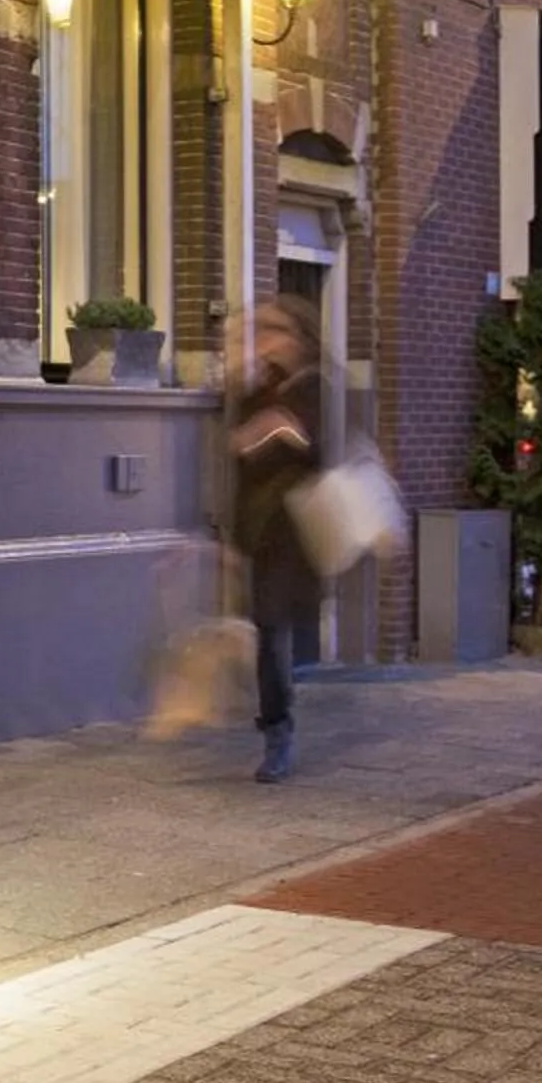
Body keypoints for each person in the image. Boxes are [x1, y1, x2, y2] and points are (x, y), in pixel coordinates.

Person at [229, 298, 323, 783]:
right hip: (263, 531)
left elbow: (323, 451)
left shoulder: (317, 388)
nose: (263, 340)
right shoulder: (257, 392)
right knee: (269, 630)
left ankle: (278, 730)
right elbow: (241, 462)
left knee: (273, 625)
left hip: (303, 530)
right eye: (259, 331)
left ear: (297, 338)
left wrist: (283, 430)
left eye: (273, 331)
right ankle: (276, 721)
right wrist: (232, 541)